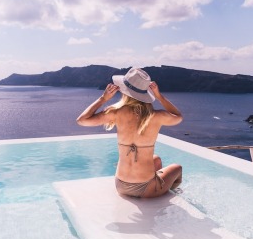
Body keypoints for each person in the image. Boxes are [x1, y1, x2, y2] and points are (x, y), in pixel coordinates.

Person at [76, 67, 183, 198]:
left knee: (157, 159)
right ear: (146, 94)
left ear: (124, 90)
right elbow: (178, 116)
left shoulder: (116, 112)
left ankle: (155, 184)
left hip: (121, 185)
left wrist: (103, 99)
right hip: (147, 189)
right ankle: (168, 194)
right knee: (177, 168)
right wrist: (159, 96)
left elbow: (82, 120)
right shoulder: (156, 116)